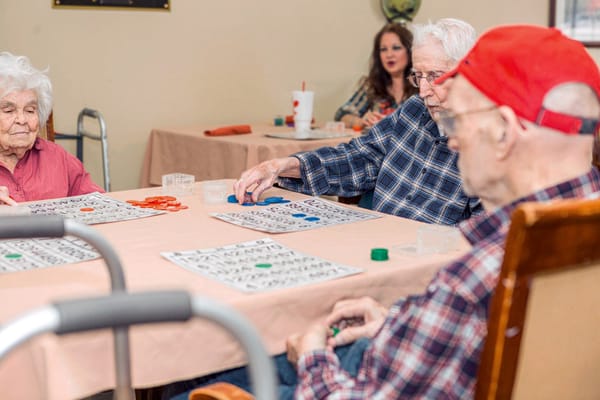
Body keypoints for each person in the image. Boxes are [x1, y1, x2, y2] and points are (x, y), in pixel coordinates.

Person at [168, 24, 600, 400]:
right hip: (412, 357)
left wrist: (315, 357)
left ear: (504, 132)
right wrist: (404, 322)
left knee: (197, 373)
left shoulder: (473, 278)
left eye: (458, 122)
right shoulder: (553, 245)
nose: (451, 140)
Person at [234, 18, 482, 226]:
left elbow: (486, 239)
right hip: (378, 240)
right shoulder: (413, 111)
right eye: (419, 77)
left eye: (435, 77)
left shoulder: (487, 139)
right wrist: (284, 165)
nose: (424, 91)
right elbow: (359, 158)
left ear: (467, 72)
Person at [0, 52, 103, 205]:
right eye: (8, 111)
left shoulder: (57, 158)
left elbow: (100, 205)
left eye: (30, 110)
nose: (22, 120)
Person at [334, 22, 418, 130]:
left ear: (410, 51)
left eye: (396, 48)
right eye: (383, 49)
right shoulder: (372, 85)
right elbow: (341, 114)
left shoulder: (422, 85)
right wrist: (362, 121)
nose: (389, 55)